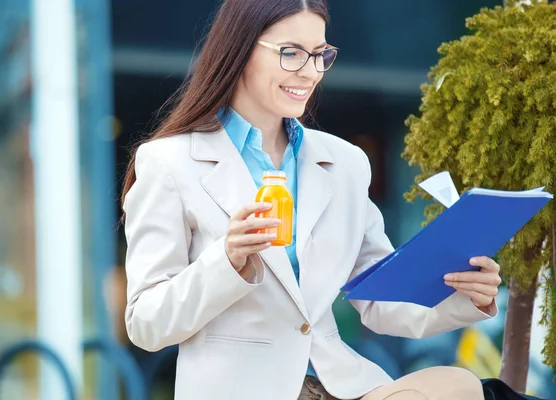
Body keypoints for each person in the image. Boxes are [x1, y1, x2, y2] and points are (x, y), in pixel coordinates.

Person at [121, 1, 501, 399]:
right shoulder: (169, 163)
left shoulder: (346, 163)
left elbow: (380, 300)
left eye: (320, 55)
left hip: (338, 385)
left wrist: (463, 292)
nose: (310, 71)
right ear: (242, 50)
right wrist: (226, 260)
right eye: (291, 53)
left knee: (457, 386)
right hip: (242, 389)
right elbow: (147, 324)